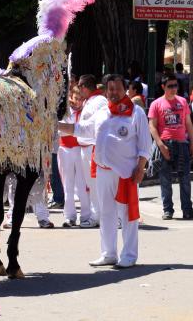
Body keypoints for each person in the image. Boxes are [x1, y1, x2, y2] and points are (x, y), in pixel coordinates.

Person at [60, 74, 151, 268]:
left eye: (117, 88)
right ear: (106, 91)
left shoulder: (136, 113)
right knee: (106, 213)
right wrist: (57, 126)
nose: (114, 92)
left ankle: (129, 255)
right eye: (110, 89)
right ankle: (109, 253)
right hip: (102, 171)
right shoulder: (102, 112)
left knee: (127, 215)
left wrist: (140, 168)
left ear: (125, 90)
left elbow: (145, 145)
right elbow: (83, 129)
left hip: (125, 172)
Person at [148, 74, 193, 220]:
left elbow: (188, 123)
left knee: (185, 179)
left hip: (182, 143)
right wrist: (160, 145)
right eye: (170, 86)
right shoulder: (156, 104)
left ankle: (187, 211)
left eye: (175, 85)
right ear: (163, 87)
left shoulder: (182, 101)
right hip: (165, 142)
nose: (173, 88)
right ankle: (168, 210)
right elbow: (152, 126)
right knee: (165, 179)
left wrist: (192, 143)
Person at [76, 74, 108, 228]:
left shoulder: (100, 100)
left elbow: (100, 124)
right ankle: (96, 215)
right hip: (86, 148)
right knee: (91, 185)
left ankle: (99, 216)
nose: (78, 90)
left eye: (79, 86)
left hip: (93, 147)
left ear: (84, 86)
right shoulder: (89, 100)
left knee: (96, 185)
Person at [58, 86, 90, 227]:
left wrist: (71, 129)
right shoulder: (64, 110)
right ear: (71, 97)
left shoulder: (86, 111)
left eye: (81, 99)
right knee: (67, 185)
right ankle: (69, 216)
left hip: (80, 149)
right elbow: (61, 131)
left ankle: (86, 216)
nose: (78, 102)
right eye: (76, 98)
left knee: (83, 184)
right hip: (65, 149)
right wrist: (75, 129)